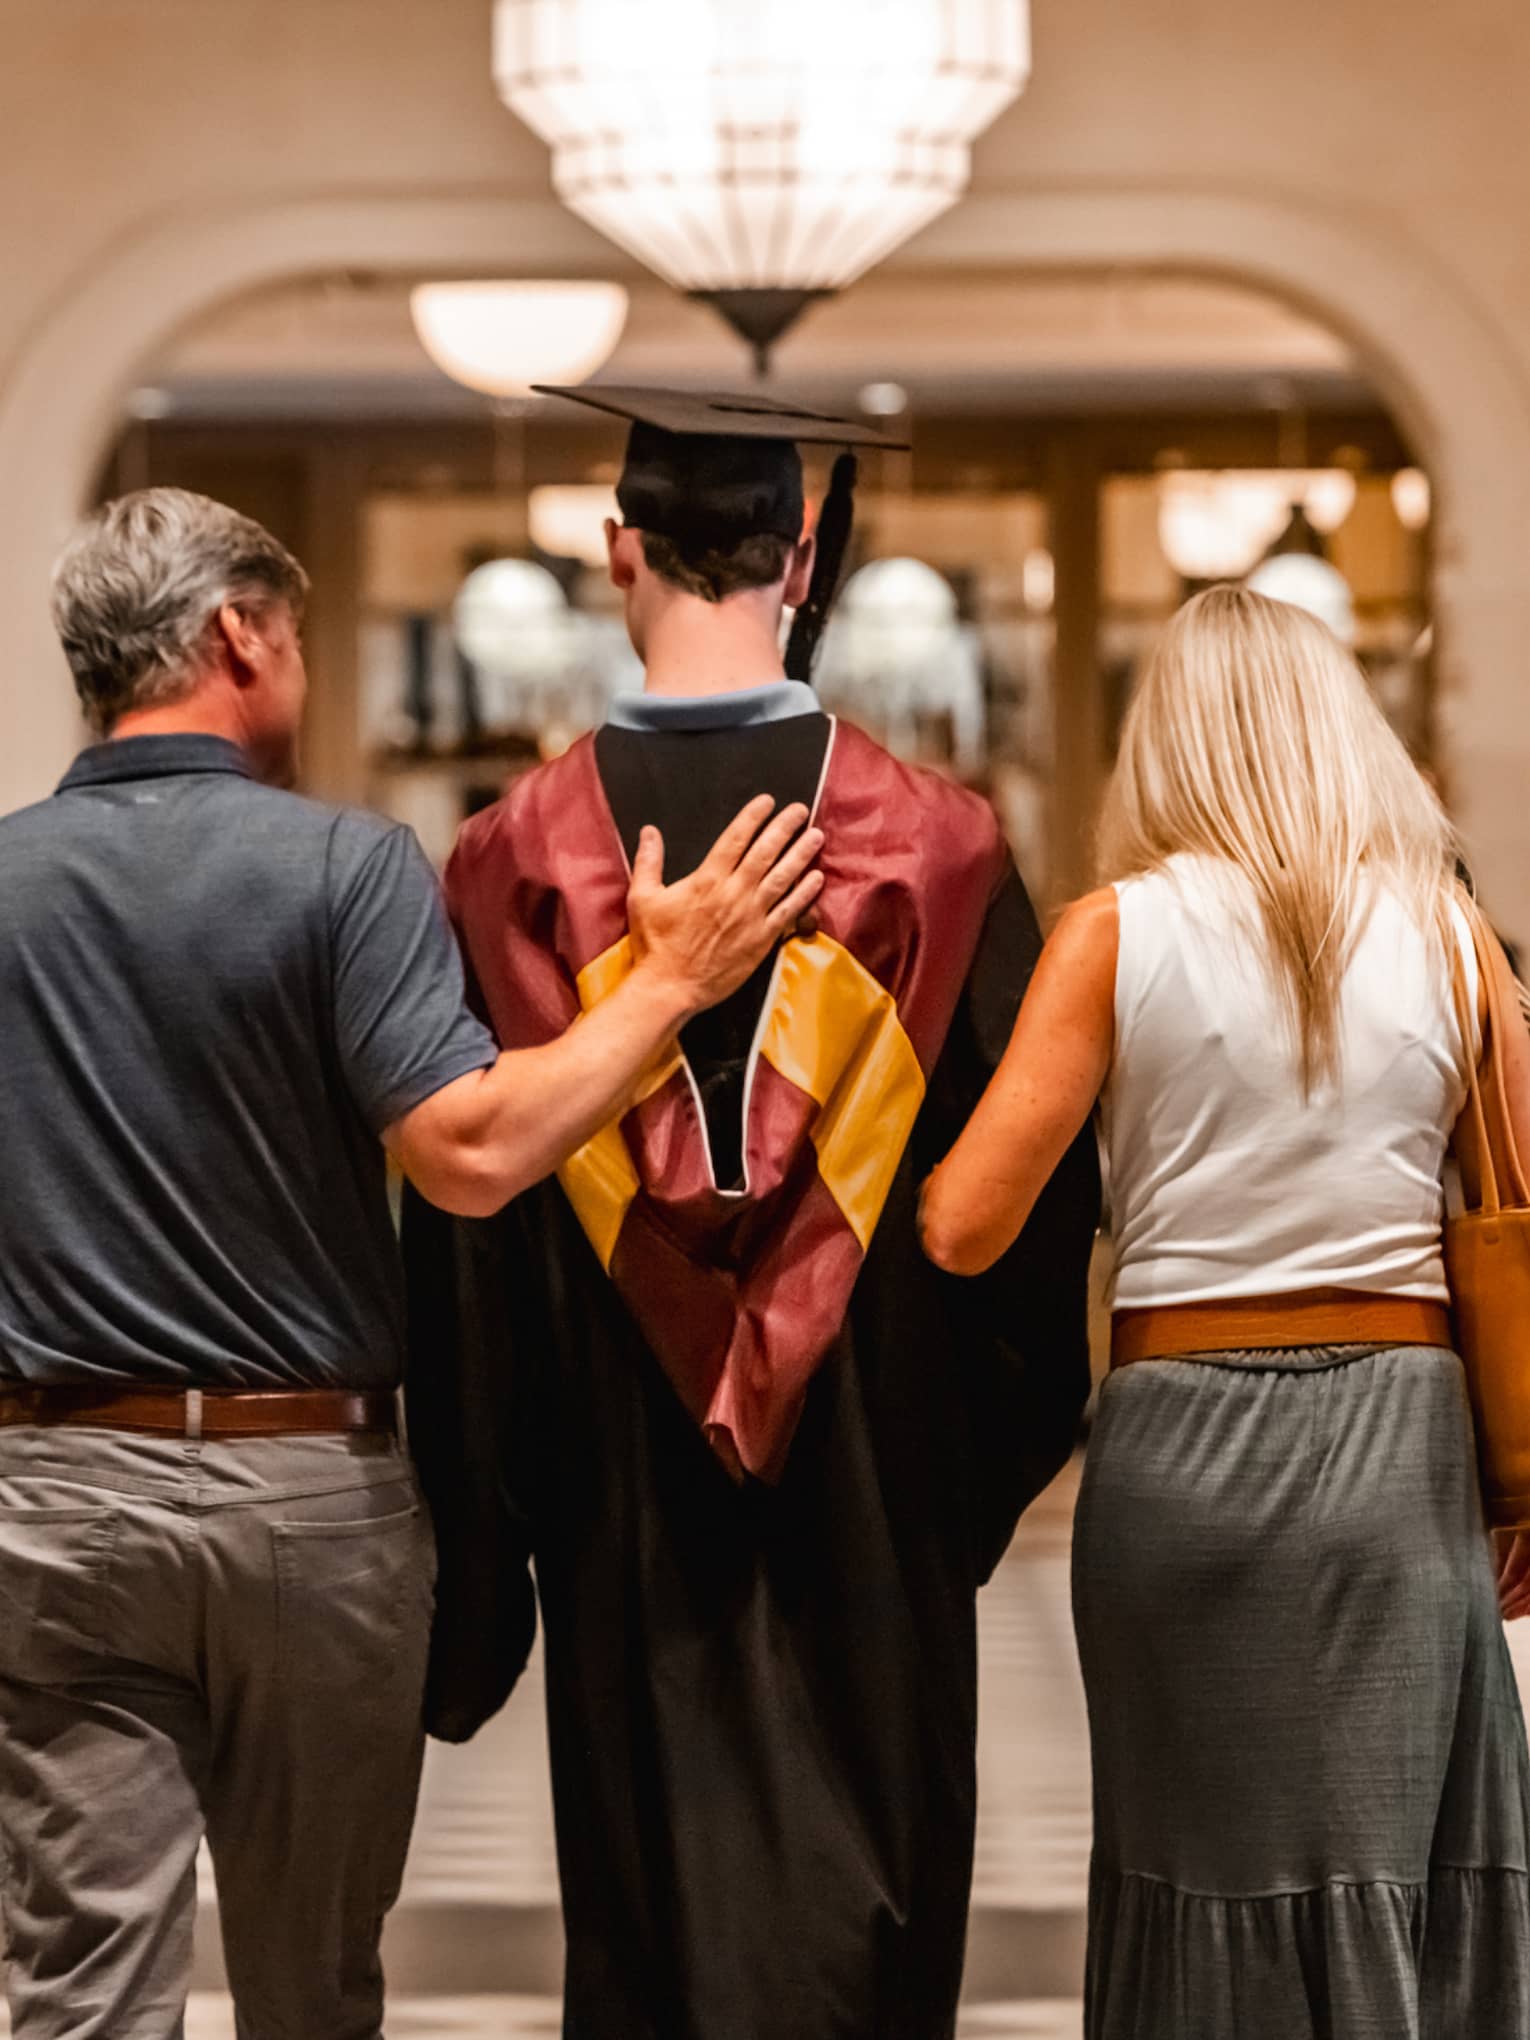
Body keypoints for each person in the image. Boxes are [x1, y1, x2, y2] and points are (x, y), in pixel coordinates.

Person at [0, 486, 823, 2040]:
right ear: (237, 637)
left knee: (79, 1991)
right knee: (313, 1991)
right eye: (295, 643)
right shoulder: (342, 868)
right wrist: (669, 984)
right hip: (301, 1503)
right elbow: (470, 1150)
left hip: (53, 1501)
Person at [403, 387, 1101, 2040]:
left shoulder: (511, 859)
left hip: (619, 1495)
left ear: (615, 551)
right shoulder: (935, 851)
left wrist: (505, 1513)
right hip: (874, 1485)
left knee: (650, 1922)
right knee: (876, 1910)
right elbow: (1030, 1213)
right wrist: (949, 1479)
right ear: (802, 554)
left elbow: (464, 1236)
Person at [921, 583, 1530, 2038]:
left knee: (1194, 1854)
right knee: (1387, 1850)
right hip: (1399, 1442)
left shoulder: (1110, 936)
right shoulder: (1450, 939)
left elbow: (961, 1227)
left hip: (1180, 1445)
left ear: (1167, 746)